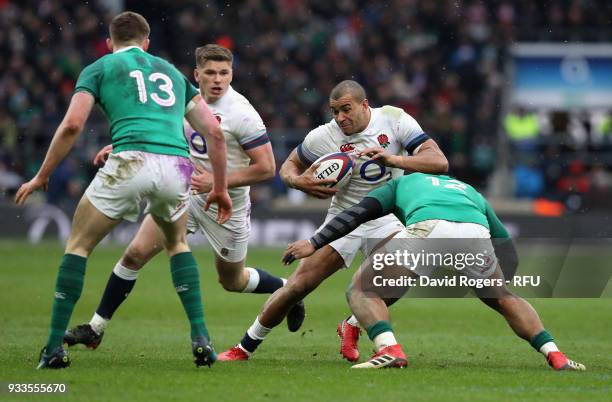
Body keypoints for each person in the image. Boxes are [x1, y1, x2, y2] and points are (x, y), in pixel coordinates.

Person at [15, 12, 231, 369]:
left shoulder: (99, 68)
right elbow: (215, 133)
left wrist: (41, 175)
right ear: (147, 43)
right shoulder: (172, 73)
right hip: (177, 166)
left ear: (110, 42)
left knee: (79, 245)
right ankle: (201, 340)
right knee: (177, 244)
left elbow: (72, 125)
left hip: (129, 160)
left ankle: (53, 348)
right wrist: (220, 188)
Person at [62, 44, 305, 351]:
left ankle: (290, 290)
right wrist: (124, 146)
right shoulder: (178, 96)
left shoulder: (242, 114)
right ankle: (96, 328)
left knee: (233, 281)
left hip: (226, 204)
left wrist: (218, 182)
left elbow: (267, 168)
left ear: (232, 74)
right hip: (182, 189)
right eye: (210, 73)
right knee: (134, 254)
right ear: (196, 74)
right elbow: (161, 130)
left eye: (224, 73)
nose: (218, 79)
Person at [218, 80, 449, 361]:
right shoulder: (324, 136)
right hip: (345, 219)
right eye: (334, 111)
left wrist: (394, 160)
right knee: (298, 285)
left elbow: (438, 162)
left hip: (386, 216)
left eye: (346, 110)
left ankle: (351, 325)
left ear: (365, 105)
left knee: (403, 272)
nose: (340, 118)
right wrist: (299, 182)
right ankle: (243, 348)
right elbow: (289, 167)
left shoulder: (394, 119)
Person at [283, 173, 585, 371]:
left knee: (362, 291)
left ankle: (389, 350)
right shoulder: (467, 189)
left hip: (428, 228)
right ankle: (555, 354)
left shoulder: (400, 183)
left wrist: (315, 242)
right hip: (474, 231)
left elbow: (355, 214)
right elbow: (503, 240)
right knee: (504, 298)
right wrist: (501, 279)